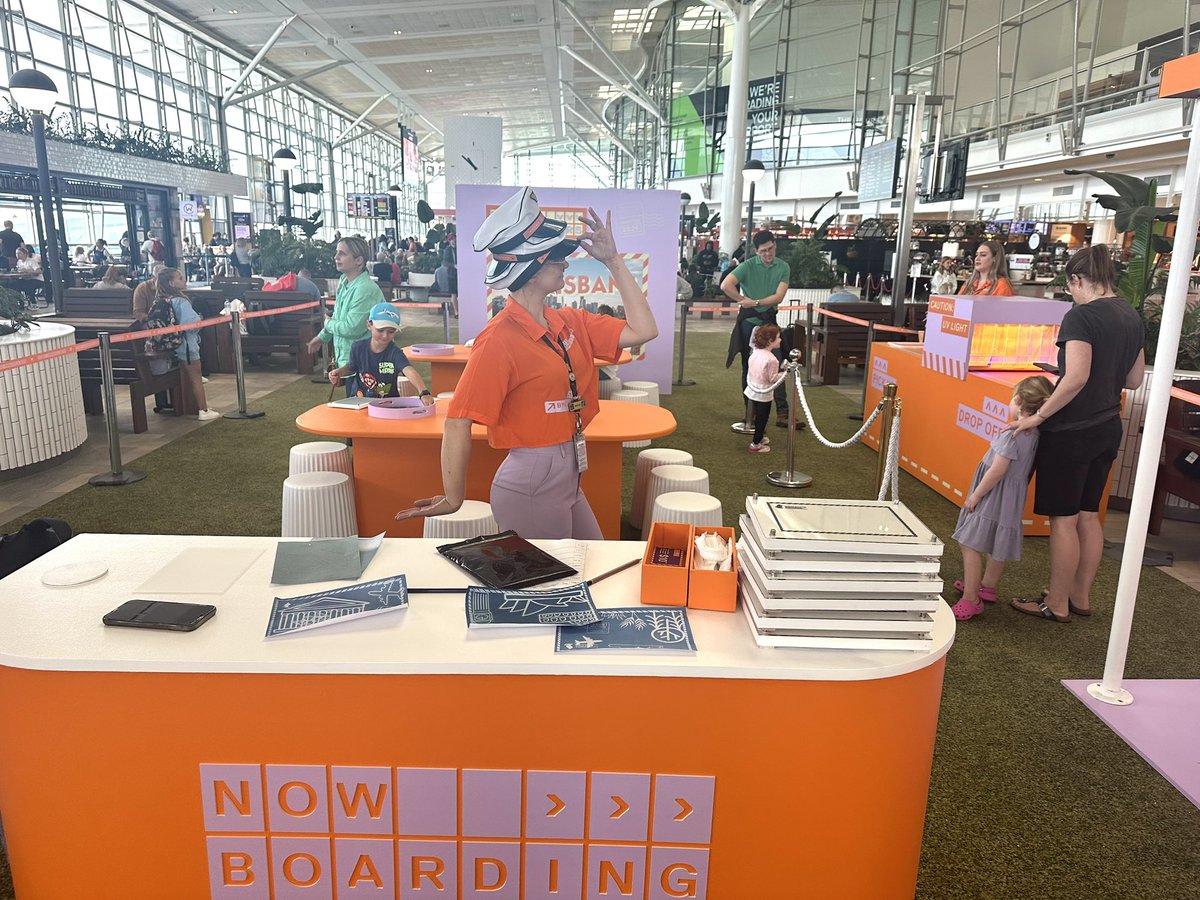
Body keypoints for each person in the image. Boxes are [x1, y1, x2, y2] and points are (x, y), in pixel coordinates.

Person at [395, 187, 658, 540]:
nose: (565, 263)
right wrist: (454, 498)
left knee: (588, 564)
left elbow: (644, 329)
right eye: (556, 258)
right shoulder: (499, 339)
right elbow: (458, 420)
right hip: (532, 482)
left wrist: (613, 261)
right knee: (550, 588)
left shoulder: (569, 321)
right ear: (532, 271)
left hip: (568, 474)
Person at [1007, 245, 1144, 622]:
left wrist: (1039, 416)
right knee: (1087, 516)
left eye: (1071, 287)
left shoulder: (1081, 316)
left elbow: (1078, 377)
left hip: (1071, 430)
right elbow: (1133, 379)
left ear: (1078, 279)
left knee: (1063, 519)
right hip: (1106, 427)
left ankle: (1057, 603)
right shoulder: (1130, 315)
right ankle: (1079, 597)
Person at [950, 375, 1053, 621]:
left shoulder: (1011, 434)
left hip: (993, 494)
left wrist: (975, 495)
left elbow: (997, 470)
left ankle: (971, 598)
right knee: (997, 541)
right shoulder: (1036, 434)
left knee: (969, 543)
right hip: (1011, 498)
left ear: (1018, 401)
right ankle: (987, 586)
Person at [723, 230, 791, 426]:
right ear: (756, 251)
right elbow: (726, 285)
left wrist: (755, 302)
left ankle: (783, 412)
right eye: (763, 251)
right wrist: (743, 300)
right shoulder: (747, 265)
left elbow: (778, 297)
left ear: (775, 245)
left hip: (769, 323)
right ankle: (750, 412)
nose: (768, 254)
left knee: (777, 363)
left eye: (771, 249)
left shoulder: (783, 267)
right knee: (749, 366)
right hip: (749, 323)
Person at [145, 268, 219, 421]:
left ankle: (194, 408)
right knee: (196, 377)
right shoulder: (181, 301)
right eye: (180, 278)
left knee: (190, 377)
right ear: (172, 283)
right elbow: (192, 325)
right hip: (186, 344)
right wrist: (199, 318)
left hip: (170, 345)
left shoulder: (160, 300)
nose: (184, 279)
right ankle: (203, 409)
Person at [305, 236, 384, 376]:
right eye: (337, 252)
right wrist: (322, 337)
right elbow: (338, 316)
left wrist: (327, 324)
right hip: (351, 364)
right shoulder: (344, 282)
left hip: (366, 366)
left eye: (342, 253)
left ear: (358, 260)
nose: (336, 257)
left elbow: (352, 328)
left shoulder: (365, 289)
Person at [328, 303, 434, 402]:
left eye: (391, 331)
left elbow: (409, 371)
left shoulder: (395, 353)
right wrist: (339, 372)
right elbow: (351, 367)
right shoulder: (357, 347)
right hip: (359, 402)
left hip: (388, 405)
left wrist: (423, 392)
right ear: (369, 325)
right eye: (380, 330)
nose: (385, 336)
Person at [744, 324, 783, 454]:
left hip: (752, 389)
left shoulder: (755, 352)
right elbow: (772, 378)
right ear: (770, 341)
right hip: (764, 393)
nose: (780, 340)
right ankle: (755, 443)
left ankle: (759, 438)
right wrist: (785, 373)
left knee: (758, 416)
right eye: (778, 338)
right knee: (762, 418)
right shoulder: (772, 360)